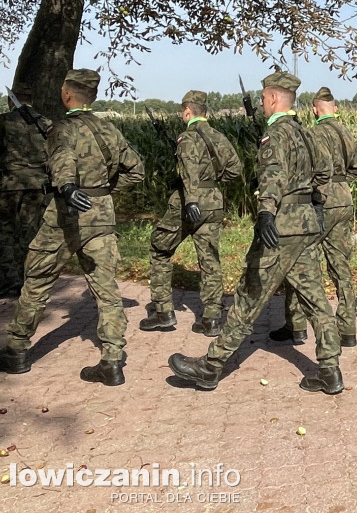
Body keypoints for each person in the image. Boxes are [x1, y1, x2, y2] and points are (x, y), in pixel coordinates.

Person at [168, 71, 344, 394]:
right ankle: (330, 369)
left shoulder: (274, 135)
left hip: (280, 228)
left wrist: (266, 211)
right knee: (316, 299)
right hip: (305, 227)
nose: (261, 102)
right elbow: (325, 172)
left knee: (249, 295)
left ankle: (211, 365)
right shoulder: (307, 134)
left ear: (274, 98)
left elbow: (274, 176)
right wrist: (312, 204)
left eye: (264, 97)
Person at [0, 69, 144, 386]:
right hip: (101, 215)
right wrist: (103, 191)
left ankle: (18, 349)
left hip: (65, 215)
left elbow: (62, 160)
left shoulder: (63, 128)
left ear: (67, 94)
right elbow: (137, 171)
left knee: (36, 279)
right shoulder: (109, 129)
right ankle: (112, 360)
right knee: (106, 291)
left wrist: (67, 188)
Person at [140, 90, 242, 336]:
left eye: (182, 112)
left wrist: (192, 200)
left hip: (188, 204)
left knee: (160, 248)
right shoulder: (218, 136)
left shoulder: (187, 138)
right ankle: (212, 318)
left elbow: (189, 173)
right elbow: (235, 169)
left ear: (187, 111)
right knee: (209, 259)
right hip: (214, 202)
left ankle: (163, 311)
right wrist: (213, 181)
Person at [268, 86, 357, 347]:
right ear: (335, 107)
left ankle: (296, 325)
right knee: (341, 266)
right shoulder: (347, 133)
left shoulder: (313, 133)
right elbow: (355, 169)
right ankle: (348, 328)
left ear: (313, 109)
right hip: (344, 199)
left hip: (321, 199)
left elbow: (313, 168)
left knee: (299, 259)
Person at [0, 83, 51, 299]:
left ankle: (9, 283)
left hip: (8, 185)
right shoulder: (45, 123)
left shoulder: (4, 122)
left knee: (5, 233)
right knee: (32, 233)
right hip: (38, 185)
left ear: (13, 100)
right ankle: (31, 281)